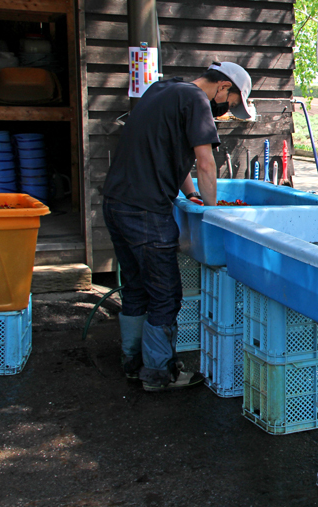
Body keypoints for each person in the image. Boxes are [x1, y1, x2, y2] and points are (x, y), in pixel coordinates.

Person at [102, 62, 254, 392]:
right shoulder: (198, 100)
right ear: (223, 87)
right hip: (146, 211)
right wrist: (215, 214)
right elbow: (204, 161)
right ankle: (159, 374)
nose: (224, 111)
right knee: (165, 294)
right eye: (228, 103)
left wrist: (193, 194)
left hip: (116, 203)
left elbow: (172, 157)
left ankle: (133, 362)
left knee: (135, 286)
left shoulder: (161, 90)